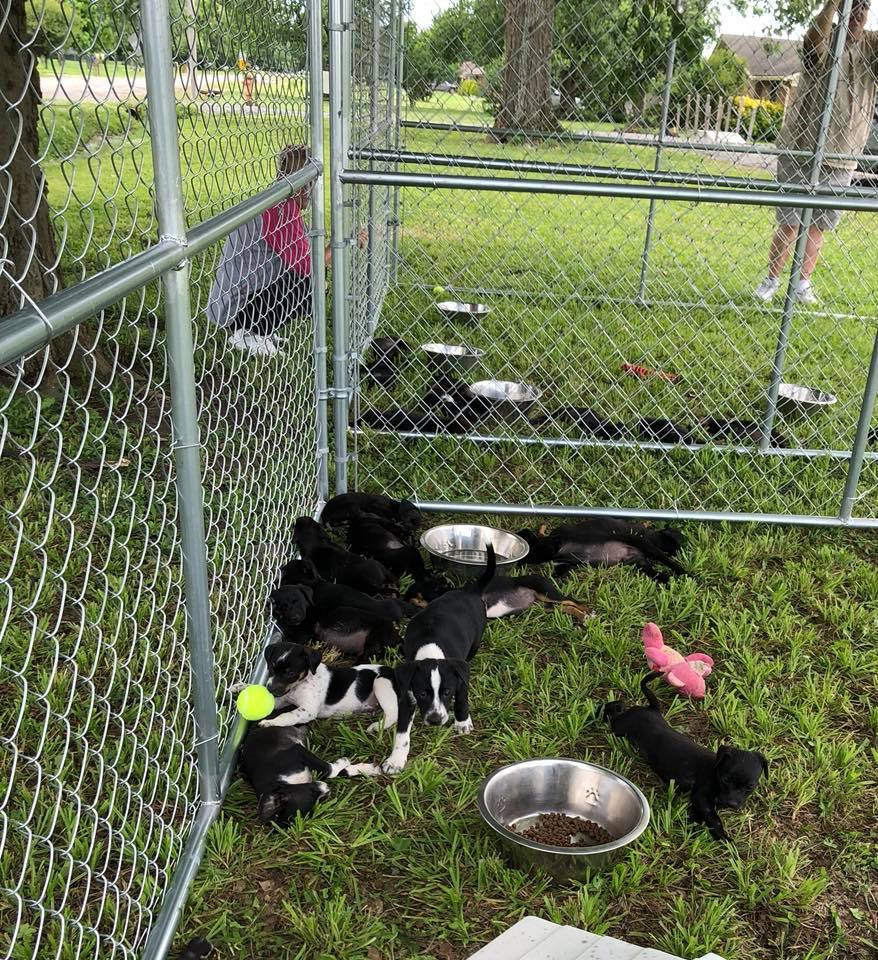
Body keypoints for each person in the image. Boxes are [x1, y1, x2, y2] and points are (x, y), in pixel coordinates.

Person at [754, 0, 877, 305]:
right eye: (852, 6)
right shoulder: (824, 34)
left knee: (819, 223)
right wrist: (832, 5)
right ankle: (771, 280)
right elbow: (812, 47)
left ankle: (801, 284)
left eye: (864, 7)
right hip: (802, 147)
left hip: (843, 152)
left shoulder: (872, 46)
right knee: (791, 220)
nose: (858, 14)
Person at [207, 145, 329, 357]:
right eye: (313, 183)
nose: (314, 191)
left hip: (239, 298)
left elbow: (303, 251)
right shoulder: (281, 208)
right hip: (235, 307)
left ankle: (261, 328)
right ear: (302, 185)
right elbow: (307, 266)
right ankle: (250, 333)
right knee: (311, 283)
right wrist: (335, 246)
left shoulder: (281, 200)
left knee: (315, 279)